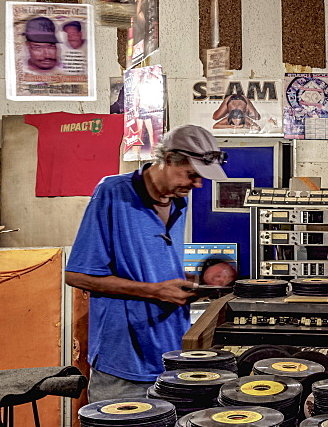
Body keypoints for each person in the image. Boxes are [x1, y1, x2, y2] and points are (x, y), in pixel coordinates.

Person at [65, 125, 228, 401]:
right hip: (124, 359)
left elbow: (152, 264)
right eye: (192, 175)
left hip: (171, 355)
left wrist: (193, 282)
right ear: (168, 159)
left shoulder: (179, 203)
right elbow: (77, 275)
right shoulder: (113, 194)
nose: (198, 185)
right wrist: (155, 291)